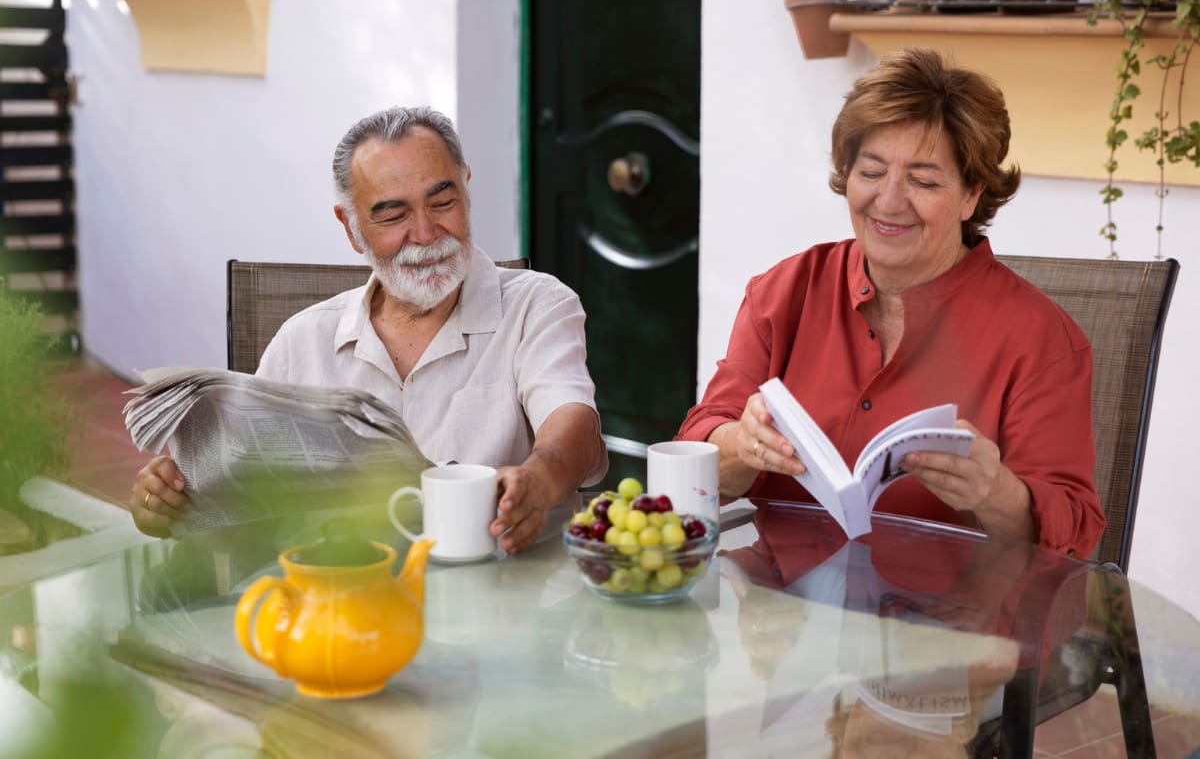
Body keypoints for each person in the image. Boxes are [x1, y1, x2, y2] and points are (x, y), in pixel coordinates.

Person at [677, 48, 1104, 557]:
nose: (890, 201)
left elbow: (1074, 537)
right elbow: (696, 455)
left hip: (951, 623)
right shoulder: (783, 291)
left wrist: (995, 493)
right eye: (872, 171)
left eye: (923, 181)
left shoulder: (1041, 339)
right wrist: (741, 445)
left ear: (972, 195)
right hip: (782, 617)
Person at [131, 106, 608, 553]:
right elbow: (248, 498)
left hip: (502, 594)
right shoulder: (303, 341)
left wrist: (539, 481)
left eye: (443, 202)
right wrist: (171, 498)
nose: (425, 233)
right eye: (393, 215)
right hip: (344, 600)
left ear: (466, 189)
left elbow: (575, 427)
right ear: (351, 227)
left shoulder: (537, 304)